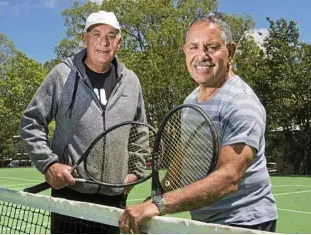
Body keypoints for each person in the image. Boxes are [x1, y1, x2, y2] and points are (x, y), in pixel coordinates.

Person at [119, 12, 278, 233]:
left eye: (211, 47)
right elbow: (185, 156)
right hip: (205, 224)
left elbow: (229, 178)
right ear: (185, 52)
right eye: (194, 47)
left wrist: (159, 205)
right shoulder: (192, 100)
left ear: (230, 52)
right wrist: (157, 197)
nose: (201, 55)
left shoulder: (241, 103)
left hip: (245, 224)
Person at [20, 10, 148, 234]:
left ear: (119, 42)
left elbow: (139, 133)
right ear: (84, 39)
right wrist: (49, 164)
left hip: (114, 200)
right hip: (70, 197)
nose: (103, 42)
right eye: (96, 34)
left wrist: (135, 173)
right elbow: (32, 121)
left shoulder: (131, 82)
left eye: (111, 35)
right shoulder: (61, 75)